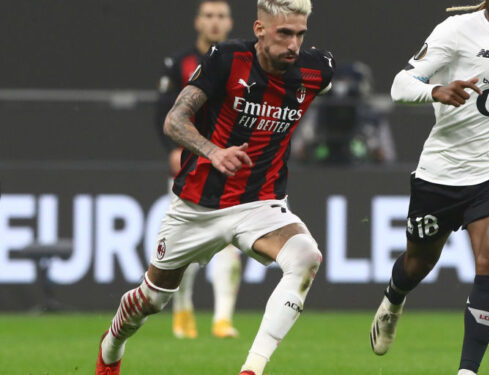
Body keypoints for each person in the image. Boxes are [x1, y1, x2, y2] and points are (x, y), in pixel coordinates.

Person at [95, 1, 334, 374]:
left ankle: (251, 369)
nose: (293, 44)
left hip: (260, 201)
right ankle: (111, 344)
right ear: (259, 29)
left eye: (300, 34)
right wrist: (213, 152)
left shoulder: (317, 71)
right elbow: (175, 120)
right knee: (152, 299)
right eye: (284, 33)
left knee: (306, 257)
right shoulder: (226, 59)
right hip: (197, 204)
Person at [368, 1, 489, 374]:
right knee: (418, 263)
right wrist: (435, 90)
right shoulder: (456, 30)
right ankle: (394, 299)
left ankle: (467, 370)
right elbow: (399, 85)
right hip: (442, 172)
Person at [155, 0, 242, 340]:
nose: (215, 22)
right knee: (184, 244)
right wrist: (173, 150)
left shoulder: (242, 62)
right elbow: (163, 111)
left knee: (230, 243)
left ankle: (223, 318)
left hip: (228, 163)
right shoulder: (180, 62)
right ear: (198, 22)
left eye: (221, 16)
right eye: (209, 16)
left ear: (230, 21)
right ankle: (183, 310)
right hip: (190, 164)